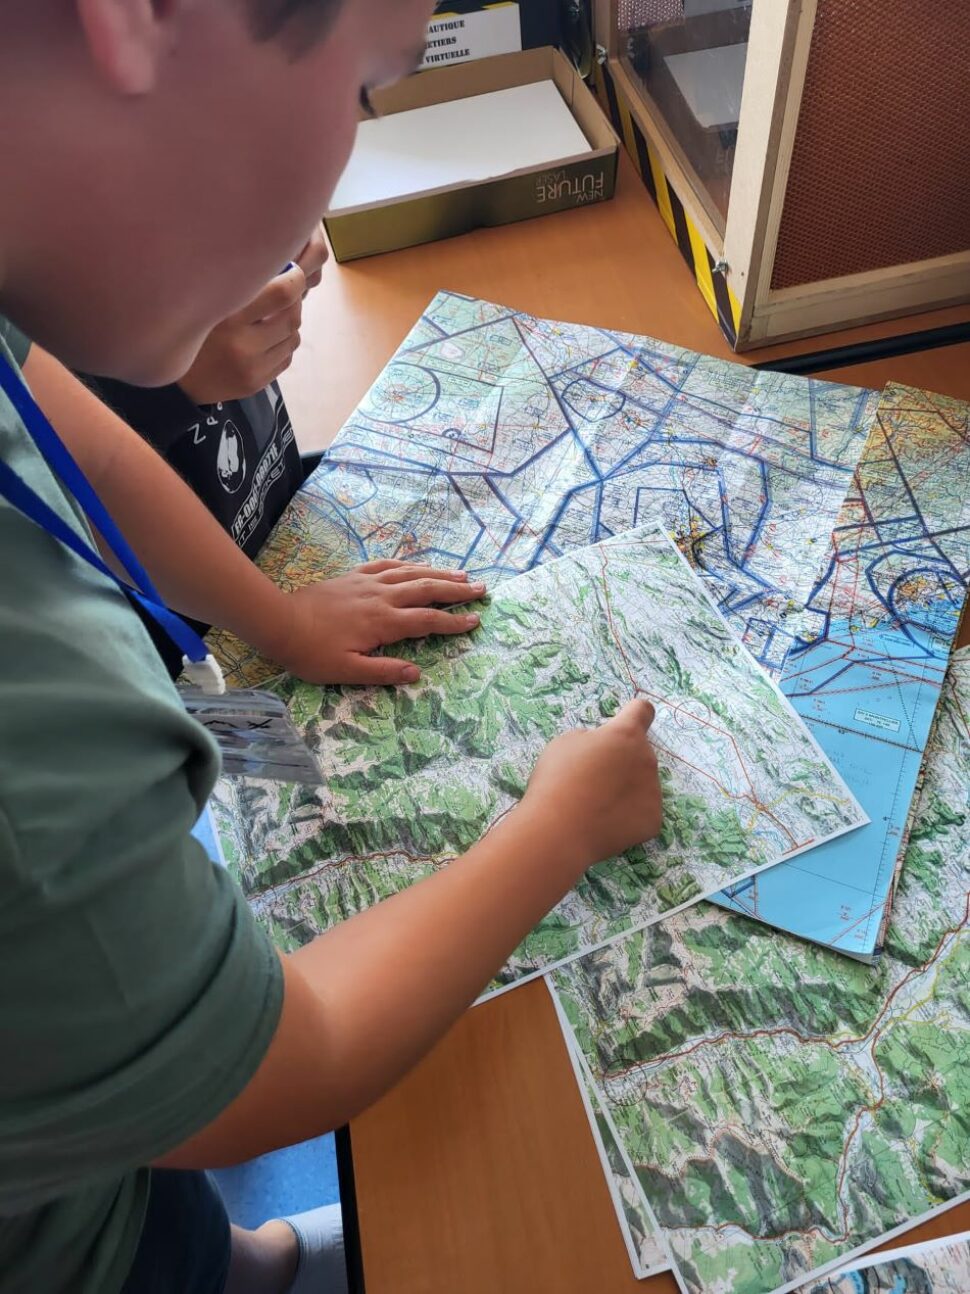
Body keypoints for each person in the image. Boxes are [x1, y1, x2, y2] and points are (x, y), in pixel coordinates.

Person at [0, 6, 664, 1294]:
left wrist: (278, 611)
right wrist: (557, 830)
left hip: (75, 1153)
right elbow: (262, 1071)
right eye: (366, 87)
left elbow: (47, 406)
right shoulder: (27, 732)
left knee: (205, 1242)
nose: (337, 185)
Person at [78, 226, 329, 674]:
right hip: (175, 646)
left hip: (272, 524)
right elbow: (71, 469)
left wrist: (278, 239)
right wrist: (165, 390)